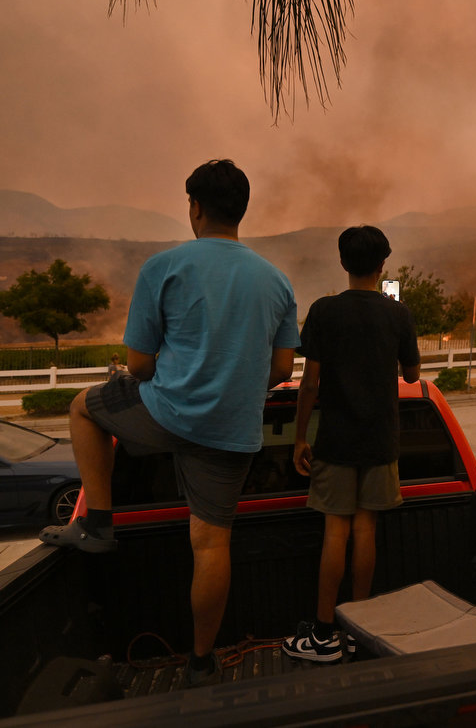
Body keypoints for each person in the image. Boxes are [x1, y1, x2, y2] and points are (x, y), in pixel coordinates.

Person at [38, 159, 301, 688]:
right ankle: (201, 663)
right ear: (242, 211)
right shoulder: (276, 281)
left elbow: (137, 366)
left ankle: (98, 525)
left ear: (195, 207)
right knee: (211, 544)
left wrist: (175, 374)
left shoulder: (164, 267)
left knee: (83, 408)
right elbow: (279, 370)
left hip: (166, 414)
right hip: (231, 432)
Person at [282, 225, 421, 663]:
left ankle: (324, 634)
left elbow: (309, 385)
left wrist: (300, 437)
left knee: (334, 534)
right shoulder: (398, 314)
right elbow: (413, 376)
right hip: (380, 441)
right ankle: (361, 632)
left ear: (343, 263)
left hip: (336, 442)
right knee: (366, 532)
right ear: (383, 266)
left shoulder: (324, 312)